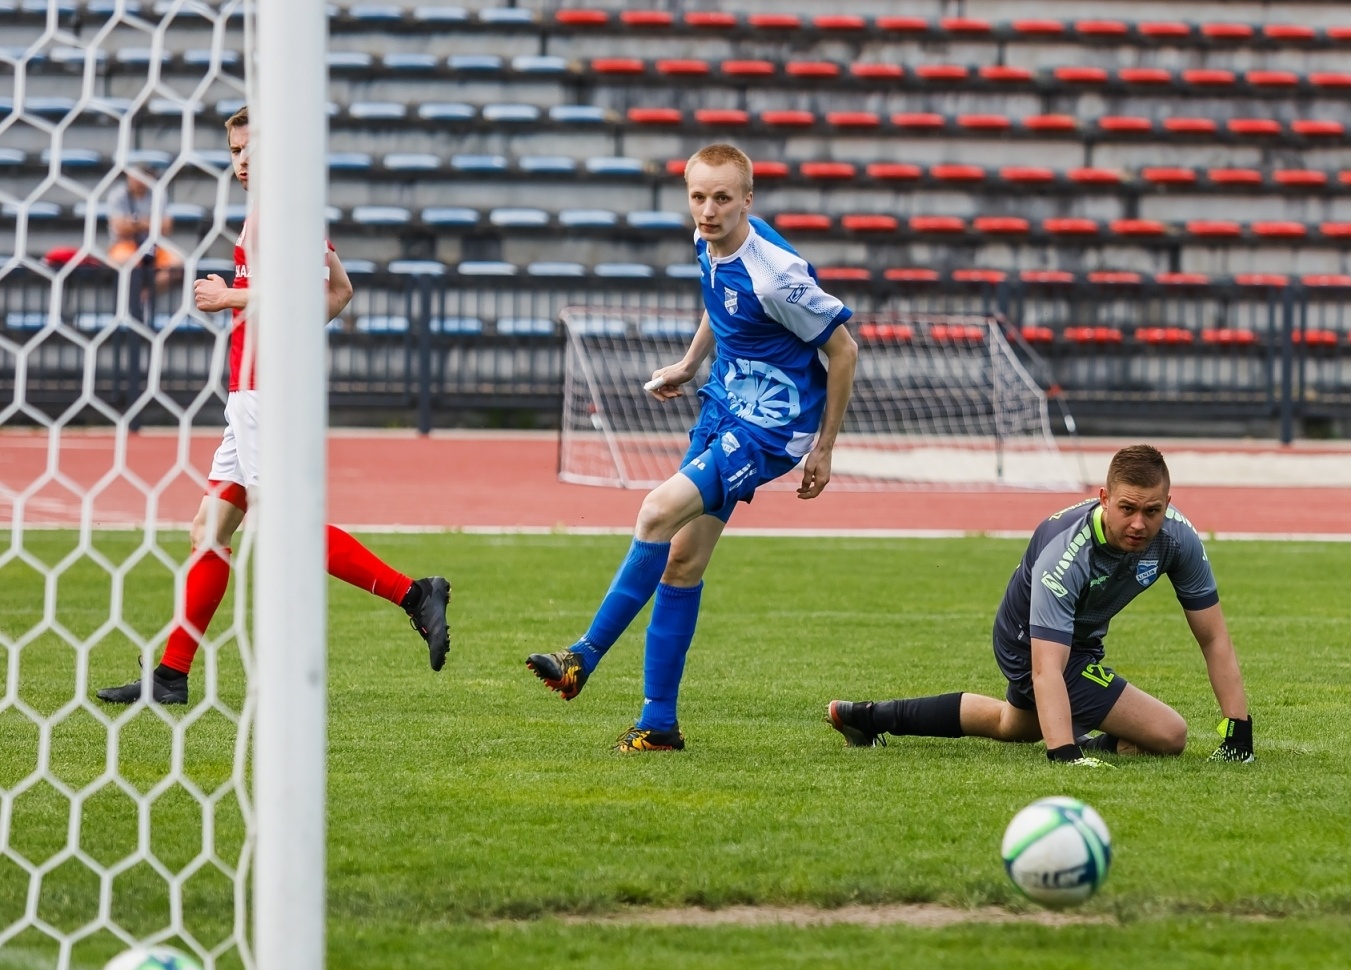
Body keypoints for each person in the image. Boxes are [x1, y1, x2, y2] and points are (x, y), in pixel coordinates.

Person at [97, 106, 452, 707]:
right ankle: (170, 677)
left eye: (251, 150)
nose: (241, 163)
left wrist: (227, 295)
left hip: (265, 395)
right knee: (207, 531)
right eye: (234, 153)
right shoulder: (283, 213)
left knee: (285, 530)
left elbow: (294, 291)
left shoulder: (275, 217)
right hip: (254, 393)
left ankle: (416, 595)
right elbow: (338, 291)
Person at [526, 142, 859, 752]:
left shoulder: (777, 272)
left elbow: (844, 350)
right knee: (682, 561)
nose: (708, 210)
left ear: (747, 200)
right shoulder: (708, 242)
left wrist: (824, 448)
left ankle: (581, 657)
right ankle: (659, 724)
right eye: (698, 197)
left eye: (723, 199)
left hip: (769, 428)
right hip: (723, 406)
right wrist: (688, 363)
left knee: (654, 511)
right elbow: (720, 304)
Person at [826, 445, 1255, 764]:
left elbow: (1213, 637)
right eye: (1127, 508)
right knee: (1169, 734)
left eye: (1152, 510)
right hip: (1025, 641)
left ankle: (865, 717)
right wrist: (1065, 754)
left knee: (1009, 726)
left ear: (1167, 504)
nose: (1139, 523)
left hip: (1078, 642)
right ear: (1104, 498)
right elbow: (1046, 668)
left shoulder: (1178, 539)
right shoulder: (1067, 553)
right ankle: (1087, 738)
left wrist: (1238, 732)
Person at [106, 169, 180, 288]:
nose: (137, 180)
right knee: (128, 262)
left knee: (177, 265)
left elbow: (166, 227)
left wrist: (134, 222)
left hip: (155, 245)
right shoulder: (118, 195)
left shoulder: (158, 193)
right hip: (125, 244)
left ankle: (148, 292)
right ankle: (135, 299)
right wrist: (151, 224)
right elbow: (120, 228)